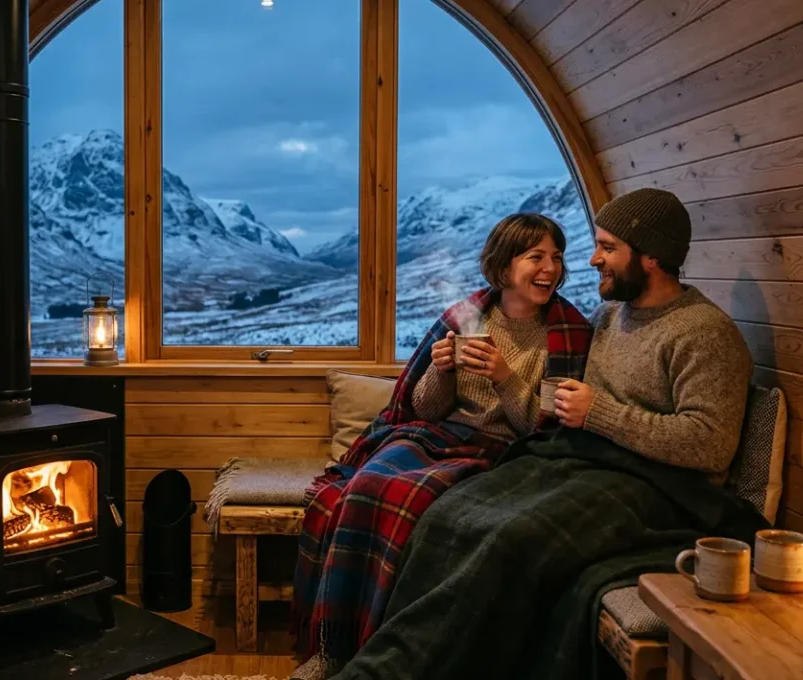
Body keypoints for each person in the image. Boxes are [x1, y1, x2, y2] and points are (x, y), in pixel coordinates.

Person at [326, 188, 765, 680]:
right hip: (585, 462)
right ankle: (378, 661)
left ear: (652, 256)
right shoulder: (610, 317)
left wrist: (597, 412)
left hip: (662, 488)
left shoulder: (704, 333)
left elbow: (709, 444)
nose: (592, 259)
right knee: (451, 514)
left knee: (512, 539)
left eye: (608, 247)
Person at [290, 213, 593, 680]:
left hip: (504, 451)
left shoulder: (568, 333)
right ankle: (332, 646)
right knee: (368, 485)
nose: (549, 268)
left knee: (415, 504)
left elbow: (541, 428)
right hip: (437, 435)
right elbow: (424, 410)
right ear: (504, 265)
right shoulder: (465, 316)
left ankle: (383, 648)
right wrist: (441, 371)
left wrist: (505, 377)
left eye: (556, 257)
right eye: (536, 257)